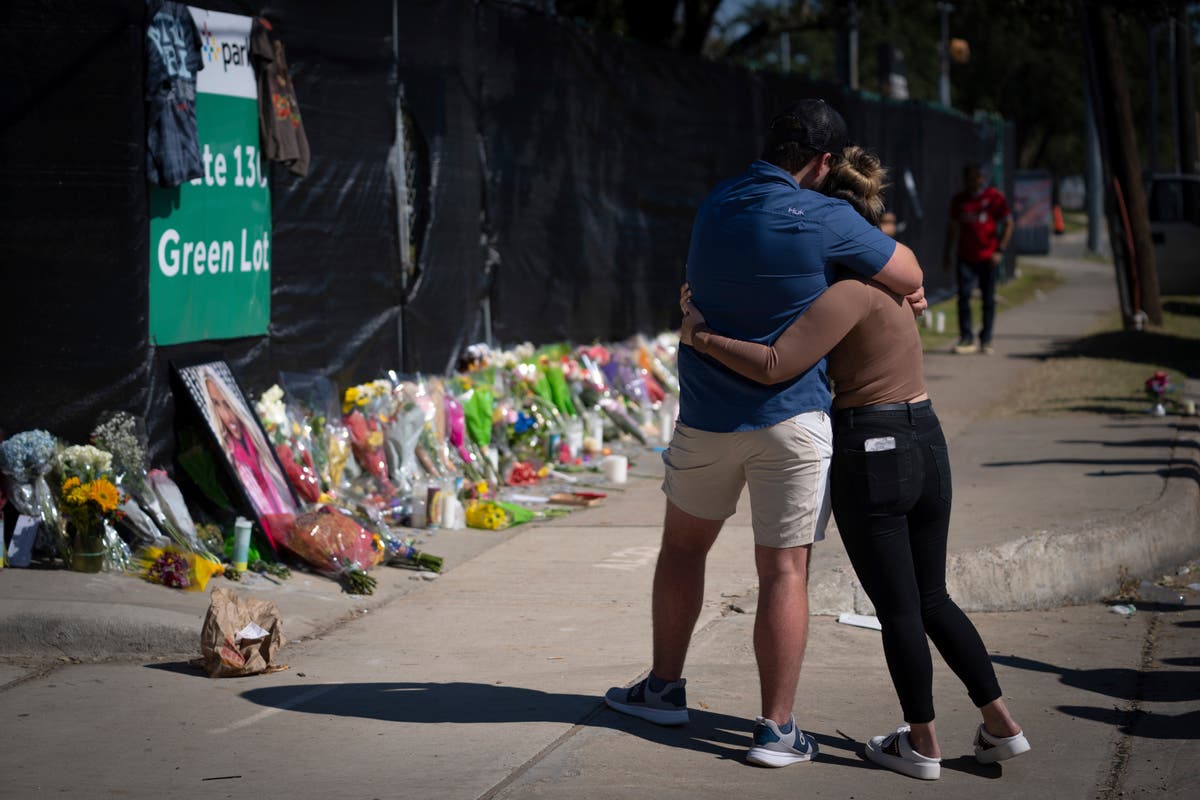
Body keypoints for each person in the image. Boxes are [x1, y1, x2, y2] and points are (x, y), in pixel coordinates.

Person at [678, 147, 1030, 781]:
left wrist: (698, 332)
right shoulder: (896, 287)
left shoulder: (846, 293)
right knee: (932, 599)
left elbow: (773, 365)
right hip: (926, 436)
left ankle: (920, 744)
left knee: (896, 608)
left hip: (874, 446)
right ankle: (1002, 723)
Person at [603, 100, 925, 768]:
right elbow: (911, 276)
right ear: (824, 162)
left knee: (682, 551)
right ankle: (776, 731)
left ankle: (663, 689)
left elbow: (702, 286)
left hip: (706, 416)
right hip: (793, 418)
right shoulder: (829, 216)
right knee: (783, 570)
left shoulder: (715, 202)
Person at [201, 369, 295, 518]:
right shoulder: (228, 454)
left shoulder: (257, 442)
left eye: (227, 404)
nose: (227, 416)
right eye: (217, 404)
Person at [944, 162, 1013, 355]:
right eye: (968, 179)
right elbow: (953, 229)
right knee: (964, 296)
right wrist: (947, 253)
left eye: (976, 178)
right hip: (965, 256)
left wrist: (999, 250)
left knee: (988, 299)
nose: (972, 183)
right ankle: (966, 337)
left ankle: (986, 338)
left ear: (982, 179)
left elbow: (1008, 224)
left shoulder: (994, 198)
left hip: (988, 257)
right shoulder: (959, 200)